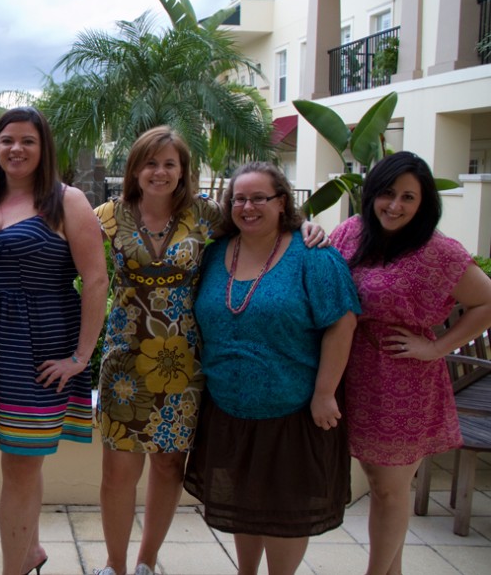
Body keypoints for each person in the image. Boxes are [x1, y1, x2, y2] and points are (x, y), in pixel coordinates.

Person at [92, 128, 325, 575]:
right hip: (124, 361)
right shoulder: (106, 215)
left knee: (167, 466)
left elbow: (261, 223)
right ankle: (114, 565)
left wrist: (306, 226)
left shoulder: (206, 215)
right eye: (150, 163)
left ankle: (146, 561)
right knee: (117, 473)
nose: (159, 172)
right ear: (135, 168)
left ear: (183, 171)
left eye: (169, 164)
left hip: (184, 362)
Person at [183, 162, 359, 575]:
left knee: (285, 508)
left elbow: (342, 321)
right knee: (245, 503)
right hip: (228, 408)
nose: (247, 207)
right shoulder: (214, 252)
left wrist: (324, 392)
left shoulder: (311, 254)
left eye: (259, 198)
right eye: (239, 199)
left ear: (282, 202)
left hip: (293, 409)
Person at [0, 107, 109, 575]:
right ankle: (31, 551)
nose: (16, 149)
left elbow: (96, 280)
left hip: (42, 348)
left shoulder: (68, 201)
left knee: (18, 466)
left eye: (27, 140)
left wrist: (80, 358)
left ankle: (13, 568)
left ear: (43, 149)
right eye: (6, 140)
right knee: (24, 461)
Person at [329, 152, 491, 575]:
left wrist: (438, 348)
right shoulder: (351, 232)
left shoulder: (439, 253)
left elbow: (487, 301)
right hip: (351, 372)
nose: (395, 205)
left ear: (423, 204)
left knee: (388, 490)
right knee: (380, 483)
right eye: (387, 193)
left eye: (408, 197)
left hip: (401, 383)